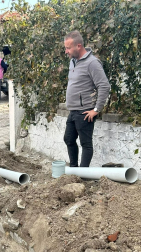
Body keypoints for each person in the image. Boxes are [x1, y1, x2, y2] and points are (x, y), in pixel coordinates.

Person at [63, 30, 110, 167]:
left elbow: (104, 86)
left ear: (78, 46)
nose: (66, 51)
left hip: (85, 112)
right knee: (69, 139)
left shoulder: (92, 63)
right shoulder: (73, 61)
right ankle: (74, 169)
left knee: (86, 144)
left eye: (68, 48)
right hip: (73, 110)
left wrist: (96, 109)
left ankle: (83, 175)